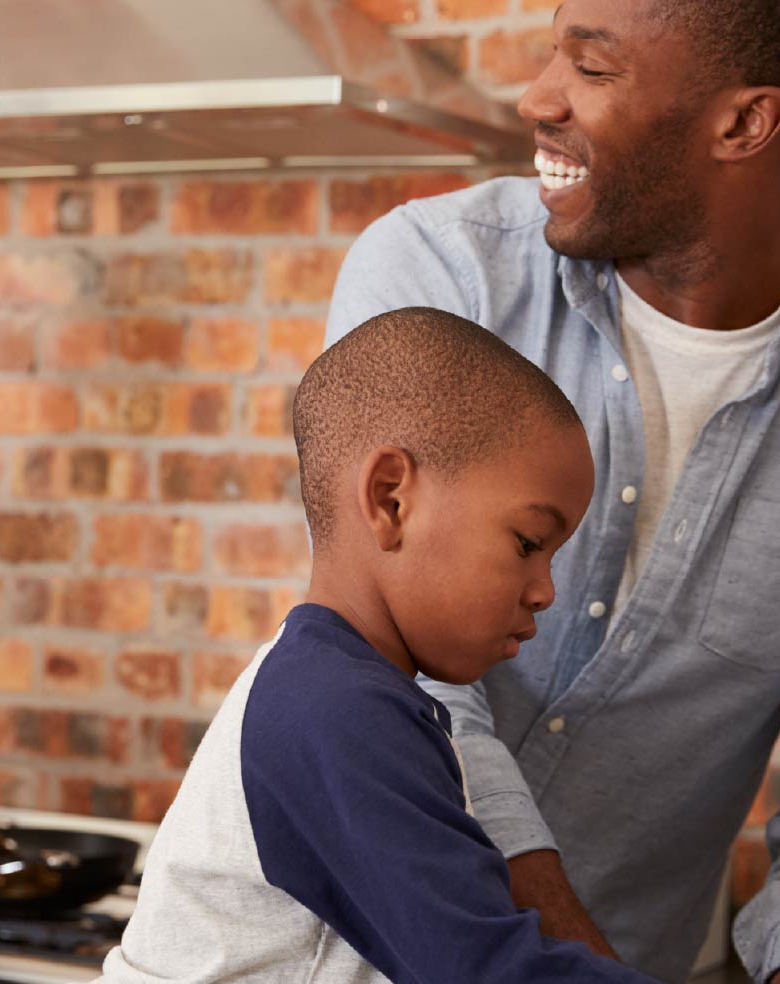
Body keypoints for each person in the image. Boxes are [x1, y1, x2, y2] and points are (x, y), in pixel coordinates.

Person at [325, 0, 780, 982]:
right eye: (557, 47)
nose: (536, 96)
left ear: (744, 124)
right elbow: (402, 695)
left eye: (589, 68)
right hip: (329, 954)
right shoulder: (440, 280)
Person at [98, 308, 655, 983]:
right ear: (390, 499)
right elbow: (485, 969)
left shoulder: (339, 692)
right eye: (527, 544)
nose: (544, 591)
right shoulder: (331, 711)